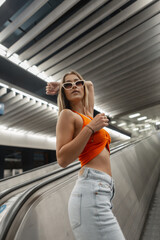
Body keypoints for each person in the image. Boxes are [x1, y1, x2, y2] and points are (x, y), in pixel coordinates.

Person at [46, 71, 125, 240]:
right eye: (69, 85)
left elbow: (89, 84)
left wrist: (61, 85)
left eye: (77, 83)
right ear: (64, 94)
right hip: (91, 190)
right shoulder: (67, 115)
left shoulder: (88, 113)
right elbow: (62, 159)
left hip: (103, 191)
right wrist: (90, 129)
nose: (74, 86)